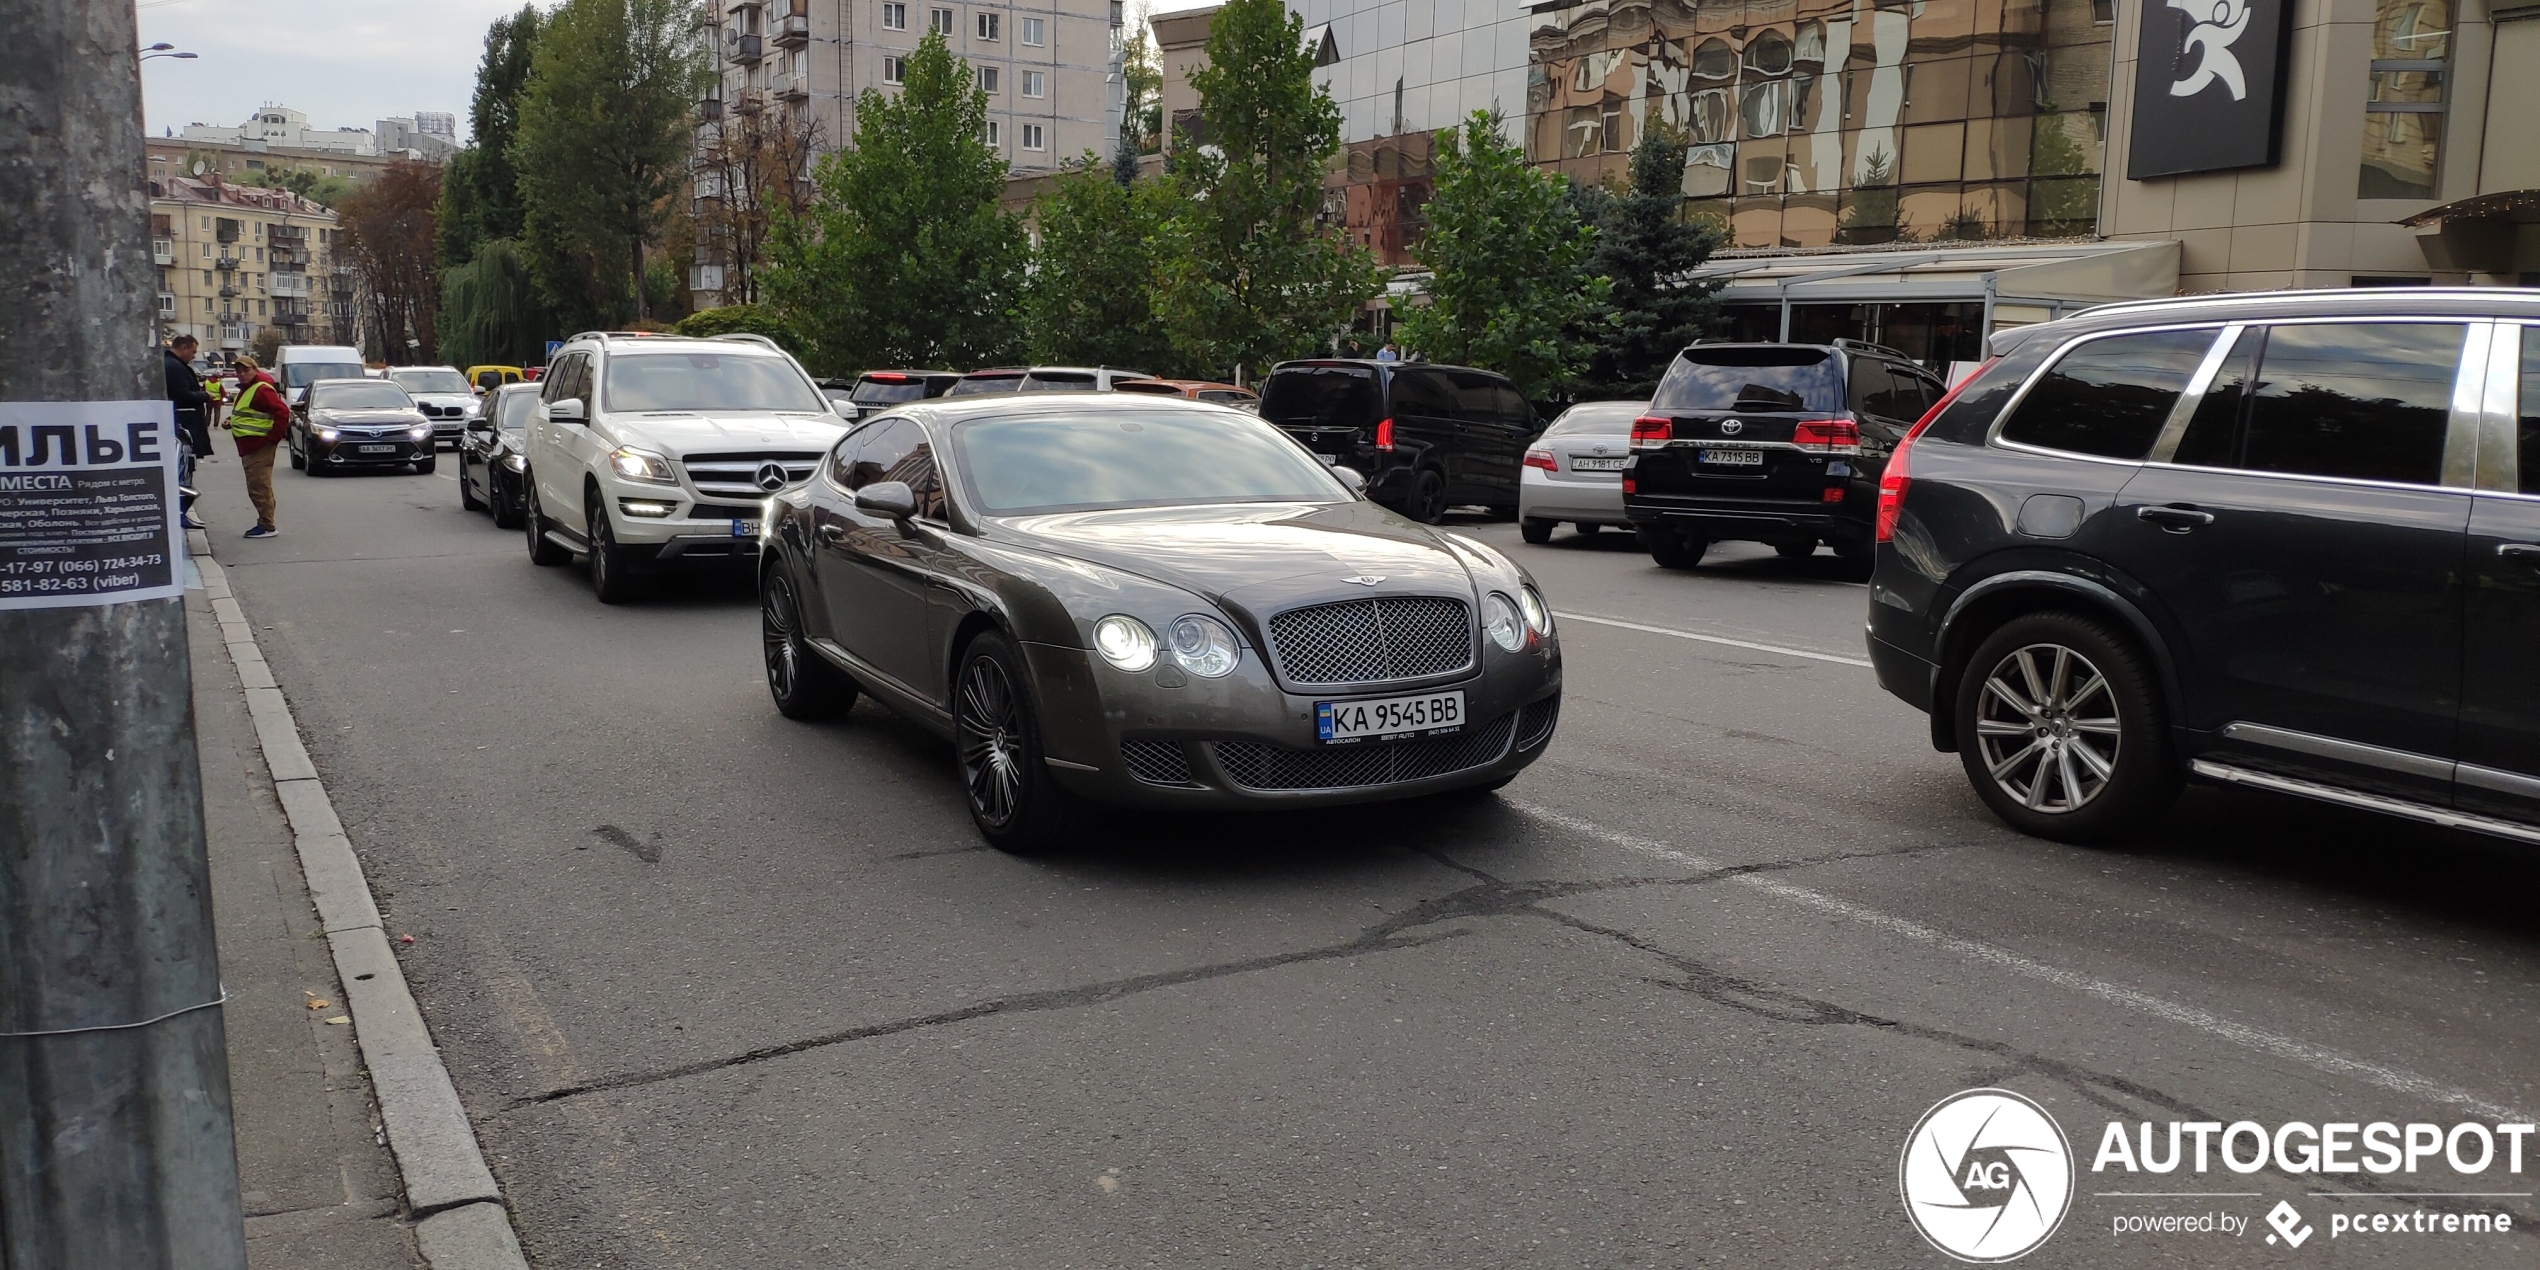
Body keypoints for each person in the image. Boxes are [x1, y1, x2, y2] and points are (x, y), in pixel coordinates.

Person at [225, 353, 290, 539]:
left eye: (246, 370)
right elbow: (251, 414)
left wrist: (272, 438)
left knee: (258, 486)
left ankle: (267, 525)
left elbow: (283, 412)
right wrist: (233, 421)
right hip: (251, 445)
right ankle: (266, 522)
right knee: (259, 485)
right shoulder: (250, 388)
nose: (241, 374)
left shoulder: (260, 389)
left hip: (259, 445)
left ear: (255, 370)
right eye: (238, 371)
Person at [163, 336, 213, 529]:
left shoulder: (172, 364)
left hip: (183, 426)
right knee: (183, 471)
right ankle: (179, 514)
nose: (193, 356)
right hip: (184, 428)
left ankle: (181, 514)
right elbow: (182, 395)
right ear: (183, 348)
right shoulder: (174, 367)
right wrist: (205, 396)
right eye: (192, 352)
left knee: (186, 470)